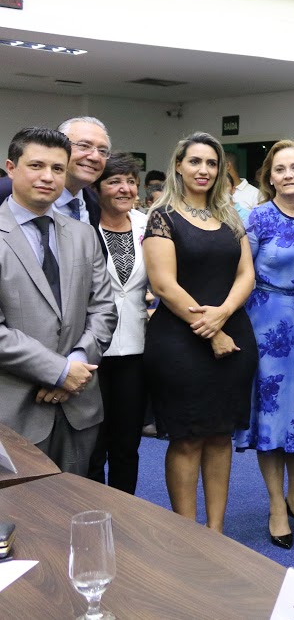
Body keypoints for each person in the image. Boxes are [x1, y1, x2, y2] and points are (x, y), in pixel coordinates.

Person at [143, 132, 258, 532]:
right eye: (195, 162)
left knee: (220, 435)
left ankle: (215, 533)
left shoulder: (229, 215)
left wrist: (224, 314)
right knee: (188, 437)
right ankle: (187, 535)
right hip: (180, 342)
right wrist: (212, 330)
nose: (203, 170)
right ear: (178, 165)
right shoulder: (163, 216)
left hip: (233, 333)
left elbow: (247, 274)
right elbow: (164, 285)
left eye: (212, 163)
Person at [0, 127, 116, 475]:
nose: (48, 177)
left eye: (57, 169)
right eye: (36, 166)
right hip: (15, 408)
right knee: (20, 517)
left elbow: (104, 309)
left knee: (76, 508)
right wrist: (58, 371)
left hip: (79, 405)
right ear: (10, 167)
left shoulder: (82, 234)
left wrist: (77, 366)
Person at [234, 140, 294, 550]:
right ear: (269, 177)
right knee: (271, 415)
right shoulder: (258, 218)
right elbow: (242, 274)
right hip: (266, 322)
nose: (288, 175)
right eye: (280, 169)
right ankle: (275, 505)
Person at [87, 154, 150, 494]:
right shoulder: (83, 228)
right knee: (93, 446)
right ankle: (94, 515)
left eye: (130, 181)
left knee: (127, 445)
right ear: (97, 189)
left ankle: (124, 513)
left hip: (135, 349)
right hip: (92, 351)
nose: (124, 188)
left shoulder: (148, 224)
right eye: (114, 181)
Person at [0, 116, 110, 228]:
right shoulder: (4, 192)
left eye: (102, 151)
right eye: (84, 146)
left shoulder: (93, 200)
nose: (95, 157)